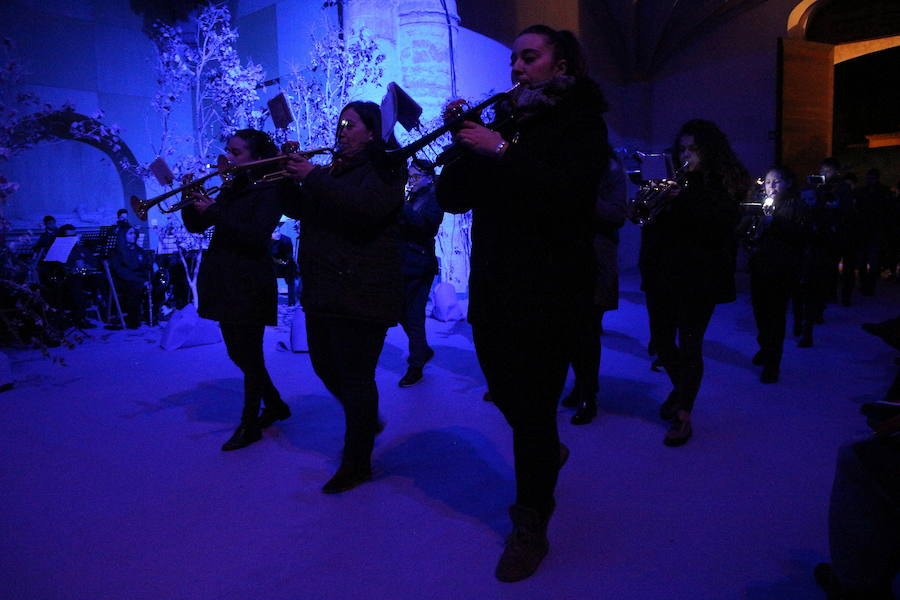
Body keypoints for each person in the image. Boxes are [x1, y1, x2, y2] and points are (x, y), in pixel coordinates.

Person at [436, 24, 610, 582]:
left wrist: (502, 151)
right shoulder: (507, 118)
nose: (516, 68)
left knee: (532, 410)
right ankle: (544, 450)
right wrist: (463, 142)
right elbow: (451, 197)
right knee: (509, 395)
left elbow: (572, 196)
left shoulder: (581, 119)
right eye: (514, 59)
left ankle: (530, 521)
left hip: (552, 287)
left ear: (561, 66)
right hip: (494, 284)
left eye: (528, 57)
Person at [284, 101, 405, 494]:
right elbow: (302, 209)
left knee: (356, 378)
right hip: (324, 287)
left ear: (372, 132)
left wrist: (314, 176)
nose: (341, 130)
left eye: (350, 125)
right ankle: (365, 422)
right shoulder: (335, 169)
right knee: (323, 364)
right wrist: (290, 176)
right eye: (340, 123)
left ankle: (357, 461)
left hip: (363, 288)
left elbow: (365, 210)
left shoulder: (386, 166)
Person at [639, 119, 748, 446]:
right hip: (662, 273)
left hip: (699, 276)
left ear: (709, 151)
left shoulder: (723, 182)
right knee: (660, 341)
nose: (686, 155)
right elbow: (653, 227)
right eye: (682, 148)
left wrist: (680, 198)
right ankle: (681, 389)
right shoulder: (673, 179)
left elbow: (718, 225)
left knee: (689, 344)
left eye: (694, 149)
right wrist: (648, 204)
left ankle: (684, 414)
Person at [182, 128, 290, 451]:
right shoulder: (233, 187)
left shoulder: (270, 189)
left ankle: (249, 423)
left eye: (236, 152)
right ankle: (274, 405)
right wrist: (190, 198)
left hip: (249, 281)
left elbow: (257, 235)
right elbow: (196, 225)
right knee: (238, 353)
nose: (227, 158)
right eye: (228, 150)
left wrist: (214, 211)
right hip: (225, 279)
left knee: (250, 354)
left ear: (257, 158)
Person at [560, 150, 626, 424]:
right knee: (571, 329)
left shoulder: (608, 165)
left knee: (586, 329)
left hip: (596, 256)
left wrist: (583, 198)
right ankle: (583, 385)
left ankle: (588, 392)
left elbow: (617, 214)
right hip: (568, 254)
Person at [738, 166, 804, 383]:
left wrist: (774, 222)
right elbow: (744, 231)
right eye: (768, 182)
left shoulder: (795, 204)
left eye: (777, 181)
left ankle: (772, 363)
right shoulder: (760, 204)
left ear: (787, 184)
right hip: (760, 266)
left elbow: (799, 235)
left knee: (775, 316)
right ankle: (765, 347)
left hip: (781, 268)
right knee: (760, 312)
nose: (771, 186)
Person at [397, 158, 443, 387]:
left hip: (420, 265)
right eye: (410, 177)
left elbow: (427, 226)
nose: (411, 181)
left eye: (415, 177)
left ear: (428, 177)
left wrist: (402, 207)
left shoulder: (434, 197)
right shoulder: (413, 196)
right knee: (401, 313)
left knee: (414, 317)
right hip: (404, 264)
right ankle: (422, 350)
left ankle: (416, 366)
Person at [108, 226, 151, 328]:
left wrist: (149, 279)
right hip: (124, 281)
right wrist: (142, 281)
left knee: (160, 284)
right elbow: (121, 272)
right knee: (135, 287)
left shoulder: (139, 250)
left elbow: (146, 267)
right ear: (123, 236)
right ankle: (133, 321)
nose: (134, 236)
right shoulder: (117, 252)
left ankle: (152, 314)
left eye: (134, 233)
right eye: (130, 233)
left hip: (140, 278)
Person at [270, 226, 298, 306]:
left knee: (290, 278)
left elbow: (289, 256)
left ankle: (291, 301)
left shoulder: (286, 240)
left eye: (278, 231)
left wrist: (283, 262)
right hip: (274, 264)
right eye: (275, 232)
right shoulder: (268, 241)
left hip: (287, 264)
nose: (278, 233)